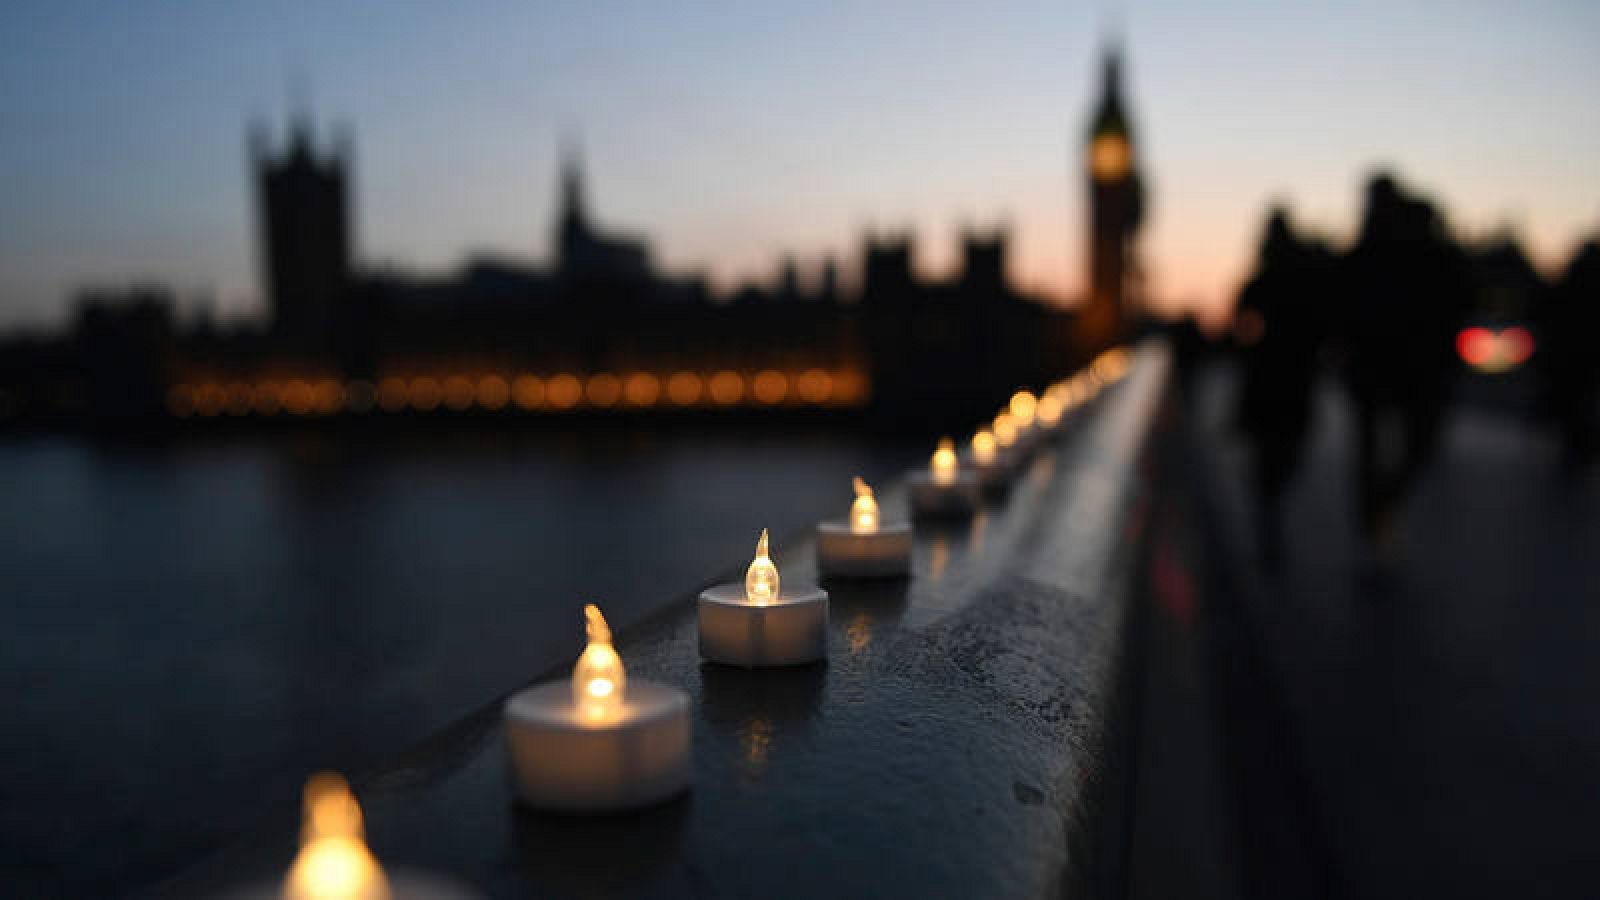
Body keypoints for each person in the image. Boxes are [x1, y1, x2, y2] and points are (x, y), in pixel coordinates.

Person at [1339, 175, 1470, 548]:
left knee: (1416, 445)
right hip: (1377, 365)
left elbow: (1457, 293)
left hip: (1414, 365)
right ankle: (1373, 516)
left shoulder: (1419, 242)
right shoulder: (1367, 250)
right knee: (1375, 450)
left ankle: (1379, 505)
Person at [1233, 207, 1333, 564]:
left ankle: (1267, 512)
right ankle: (1268, 518)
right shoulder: (1291, 283)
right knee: (1282, 453)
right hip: (1289, 381)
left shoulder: (1266, 283)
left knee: (1275, 456)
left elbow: (1240, 329)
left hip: (1273, 380)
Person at [1539, 237, 1600, 465]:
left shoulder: (1573, 279)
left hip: (1573, 352)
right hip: (1581, 353)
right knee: (1579, 401)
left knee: (1575, 400)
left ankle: (1578, 445)